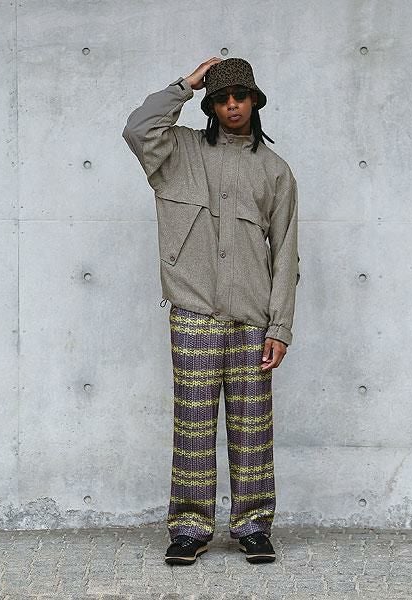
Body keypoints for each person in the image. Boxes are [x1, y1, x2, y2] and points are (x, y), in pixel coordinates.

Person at [122, 57, 300, 565]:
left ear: (254, 101)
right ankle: (189, 528)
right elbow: (137, 128)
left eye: (240, 97)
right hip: (194, 313)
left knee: (252, 428)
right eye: (221, 98)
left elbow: (285, 253)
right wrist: (186, 83)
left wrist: (280, 327)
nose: (232, 106)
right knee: (193, 426)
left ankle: (253, 526)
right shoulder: (178, 151)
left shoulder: (275, 171)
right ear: (211, 106)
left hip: (252, 319)